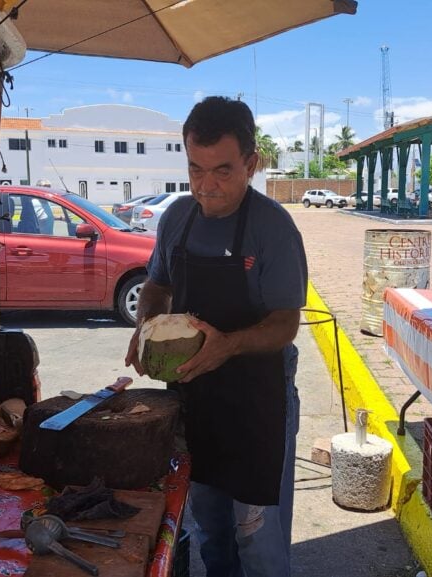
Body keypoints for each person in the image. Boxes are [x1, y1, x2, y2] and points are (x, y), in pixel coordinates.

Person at [124, 96, 307, 577]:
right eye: (195, 169)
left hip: (257, 404)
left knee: (259, 543)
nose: (207, 187)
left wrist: (228, 344)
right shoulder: (177, 217)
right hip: (193, 402)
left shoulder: (273, 227)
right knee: (210, 533)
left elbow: (286, 323)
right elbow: (157, 286)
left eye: (222, 171)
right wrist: (145, 325)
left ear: (252, 162)